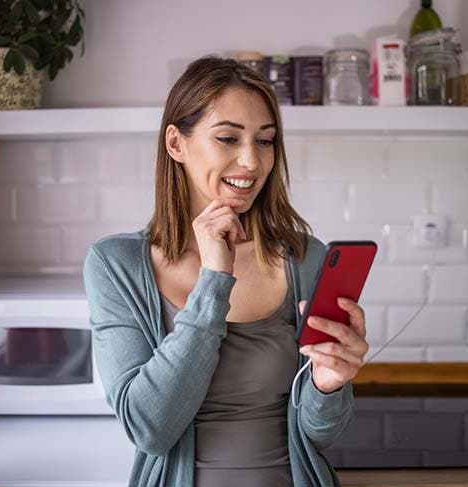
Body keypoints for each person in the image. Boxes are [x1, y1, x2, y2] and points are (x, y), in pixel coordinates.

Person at [83, 55, 369, 487]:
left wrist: (328, 385)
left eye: (265, 141)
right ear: (176, 144)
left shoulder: (304, 258)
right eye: (228, 138)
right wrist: (214, 281)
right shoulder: (116, 265)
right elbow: (149, 429)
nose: (252, 162)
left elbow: (320, 434)